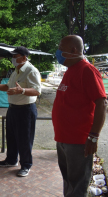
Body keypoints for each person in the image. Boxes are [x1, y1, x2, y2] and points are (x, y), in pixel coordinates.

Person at [52, 35, 107, 197]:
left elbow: (102, 103)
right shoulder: (70, 70)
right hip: (63, 139)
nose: (58, 51)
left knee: (78, 185)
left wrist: (94, 136)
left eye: (61, 48)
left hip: (78, 141)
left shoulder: (87, 70)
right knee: (69, 180)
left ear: (73, 50)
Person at [0, 46, 41, 177]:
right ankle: (11, 160)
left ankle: (26, 165)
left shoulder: (31, 71)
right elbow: (8, 87)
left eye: (15, 56)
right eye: (13, 57)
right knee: (12, 136)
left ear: (24, 57)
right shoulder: (15, 71)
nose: (13, 59)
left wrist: (22, 91)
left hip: (26, 110)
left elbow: (37, 90)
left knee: (25, 139)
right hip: (13, 108)